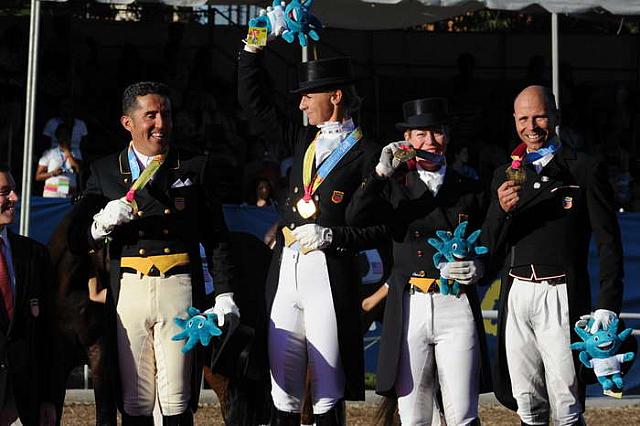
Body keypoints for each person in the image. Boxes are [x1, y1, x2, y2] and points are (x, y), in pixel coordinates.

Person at [238, 28, 385, 425]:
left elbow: (379, 229)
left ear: (335, 96)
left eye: (308, 95)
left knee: (327, 387)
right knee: (281, 384)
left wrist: (332, 235)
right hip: (287, 268)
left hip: (329, 272)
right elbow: (254, 104)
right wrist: (254, 45)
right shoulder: (303, 138)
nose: (301, 104)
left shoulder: (369, 154)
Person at [78, 81, 238, 425]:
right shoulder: (105, 170)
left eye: (166, 114)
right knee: (134, 399)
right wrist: (100, 224)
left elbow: (216, 236)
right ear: (128, 122)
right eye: (150, 115)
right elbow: (81, 237)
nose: (161, 124)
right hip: (129, 289)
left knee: (176, 397)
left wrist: (225, 293)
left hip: (177, 286)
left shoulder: (193, 165)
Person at [483, 85, 624, 425]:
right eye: (523, 119)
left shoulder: (584, 168)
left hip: (561, 293)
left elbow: (608, 243)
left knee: (566, 402)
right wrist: (501, 211)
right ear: (514, 120)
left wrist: (607, 304)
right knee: (526, 402)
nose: (531, 127)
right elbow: (489, 245)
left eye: (539, 117)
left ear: (556, 116)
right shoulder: (505, 174)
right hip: (517, 294)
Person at [371, 98, 491, 425]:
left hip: (456, 302)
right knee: (413, 414)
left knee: (462, 413)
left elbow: (492, 243)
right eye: (421, 134)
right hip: (411, 303)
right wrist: (379, 174)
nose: (430, 142)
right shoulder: (394, 187)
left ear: (447, 136)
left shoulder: (470, 189)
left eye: (436, 132)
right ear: (407, 140)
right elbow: (356, 216)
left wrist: (481, 268)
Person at [0, 164, 56, 426]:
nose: (14, 198)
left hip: (23, 399)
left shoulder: (35, 255)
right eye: (4, 192)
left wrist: (49, 398)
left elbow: (47, 332)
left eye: (13, 190)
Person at [36, 123, 82, 198]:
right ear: (57, 136)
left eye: (67, 134)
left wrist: (68, 153)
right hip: (52, 194)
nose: (64, 137)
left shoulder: (76, 152)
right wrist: (53, 173)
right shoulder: (50, 152)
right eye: (61, 134)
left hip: (69, 194)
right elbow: (38, 176)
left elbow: (78, 170)